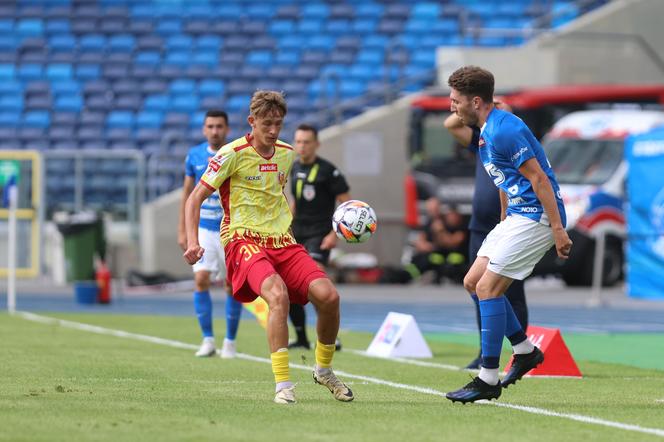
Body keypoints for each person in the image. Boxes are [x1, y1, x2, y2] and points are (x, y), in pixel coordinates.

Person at [183, 91, 353, 405]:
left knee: (329, 297)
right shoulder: (231, 153)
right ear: (252, 122)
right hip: (242, 239)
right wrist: (192, 241)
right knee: (277, 294)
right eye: (266, 124)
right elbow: (194, 198)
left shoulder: (286, 153)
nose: (273, 130)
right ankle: (283, 384)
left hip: (282, 241)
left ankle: (324, 369)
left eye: (278, 124)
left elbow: (275, 193)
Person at [443, 66, 572, 403]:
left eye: (455, 100)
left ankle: (487, 378)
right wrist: (504, 218)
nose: (451, 106)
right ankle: (525, 350)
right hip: (517, 216)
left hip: (538, 217)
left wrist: (558, 229)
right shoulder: (488, 129)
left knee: (487, 288)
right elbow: (505, 177)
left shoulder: (503, 130)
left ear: (474, 101)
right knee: (472, 281)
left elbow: (539, 179)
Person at [444, 101, 530, 370]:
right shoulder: (483, 140)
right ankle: (486, 351)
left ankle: (518, 353)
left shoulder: (513, 141)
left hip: (511, 226)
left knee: (511, 291)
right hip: (481, 227)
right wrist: (483, 109)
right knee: (477, 287)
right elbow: (450, 124)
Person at [177, 110, 243, 359]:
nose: (215, 131)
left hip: (229, 228)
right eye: (210, 126)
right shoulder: (194, 156)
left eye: (219, 126)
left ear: (226, 129)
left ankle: (230, 341)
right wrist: (184, 229)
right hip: (203, 227)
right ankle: (207, 339)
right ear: (204, 129)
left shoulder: (235, 153)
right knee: (201, 279)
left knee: (232, 285)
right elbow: (187, 194)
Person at [288, 123, 351, 351]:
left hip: (319, 234)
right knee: (290, 285)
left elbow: (348, 205)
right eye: (299, 142)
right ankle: (301, 338)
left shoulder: (328, 171)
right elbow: (295, 201)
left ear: (316, 144)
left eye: (306, 142)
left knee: (316, 284)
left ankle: (329, 335)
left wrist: (335, 234)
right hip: (296, 233)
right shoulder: (293, 168)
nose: (302, 146)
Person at [381, 197, 467, 284]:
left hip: (446, 259)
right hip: (432, 255)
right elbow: (421, 239)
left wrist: (440, 231)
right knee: (419, 259)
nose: (433, 212)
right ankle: (403, 276)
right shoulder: (429, 222)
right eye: (430, 209)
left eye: (435, 209)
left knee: (447, 261)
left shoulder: (453, 225)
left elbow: (452, 242)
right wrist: (424, 245)